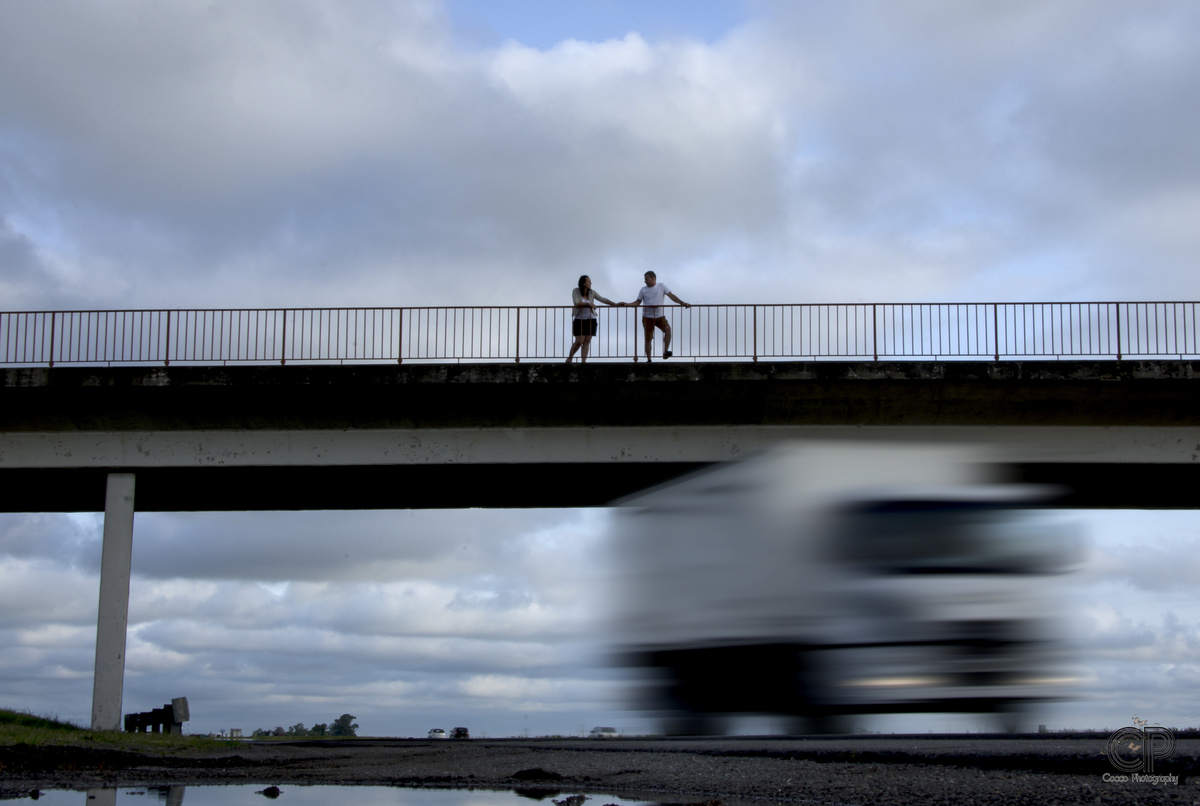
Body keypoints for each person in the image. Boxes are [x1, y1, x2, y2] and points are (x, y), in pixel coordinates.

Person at [626, 270, 690, 362]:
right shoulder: (643, 290)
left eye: (646, 279)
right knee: (648, 339)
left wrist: (682, 302)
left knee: (668, 329)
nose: (645, 281)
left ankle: (665, 351)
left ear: (653, 278)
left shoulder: (662, 286)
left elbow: (671, 296)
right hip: (647, 317)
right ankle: (649, 359)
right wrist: (628, 304)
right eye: (645, 279)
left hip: (659, 316)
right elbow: (637, 302)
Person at [567, 275, 620, 363]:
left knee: (587, 341)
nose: (590, 283)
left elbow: (603, 299)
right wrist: (588, 304)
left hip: (591, 319)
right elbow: (576, 303)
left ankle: (583, 362)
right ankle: (570, 357)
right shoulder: (576, 291)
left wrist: (615, 304)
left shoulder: (591, 292)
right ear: (583, 283)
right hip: (579, 319)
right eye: (588, 281)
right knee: (579, 341)